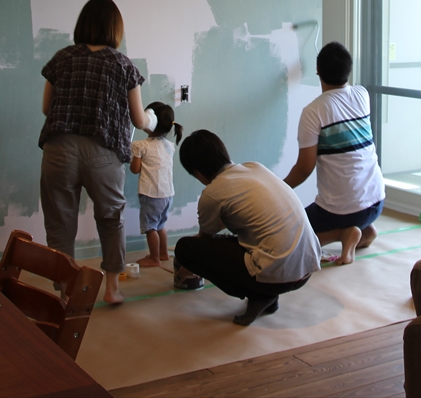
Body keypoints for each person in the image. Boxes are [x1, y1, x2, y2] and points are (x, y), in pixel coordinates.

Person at [39, 0, 153, 304]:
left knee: (60, 223)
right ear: (115, 29)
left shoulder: (62, 58)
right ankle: (112, 289)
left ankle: (65, 293)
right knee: (111, 218)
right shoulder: (123, 64)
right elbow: (139, 120)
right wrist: (152, 120)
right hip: (104, 153)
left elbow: (47, 108)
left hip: (59, 149)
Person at [173, 130, 322, 326]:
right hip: (308, 266)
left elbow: (204, 239)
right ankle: (265, 292)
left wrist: (185, 266)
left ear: (198, 173)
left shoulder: (212, 193)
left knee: (185, 248)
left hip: (279, 274)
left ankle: (260, 295)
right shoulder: (255, 167)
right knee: (229, 241)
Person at [284, 41, 385, 265]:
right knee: (351, 210)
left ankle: (343, 234)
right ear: (348, 70)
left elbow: (304, 168)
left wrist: (279, 188)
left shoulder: (314, 112)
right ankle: (364, 230)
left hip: (340, 212)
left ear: (318, 71)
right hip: (376, 202)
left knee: (288, 235)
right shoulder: (362, 95)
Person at [130, 101, 183, 267]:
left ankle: (154, 258)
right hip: (167, 194)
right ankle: (163, 253)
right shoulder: (169, 146)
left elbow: (135, 169)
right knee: (160, 225)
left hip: (150, 194)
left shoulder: (140, 146)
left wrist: (132, 155)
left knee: (150, 227)